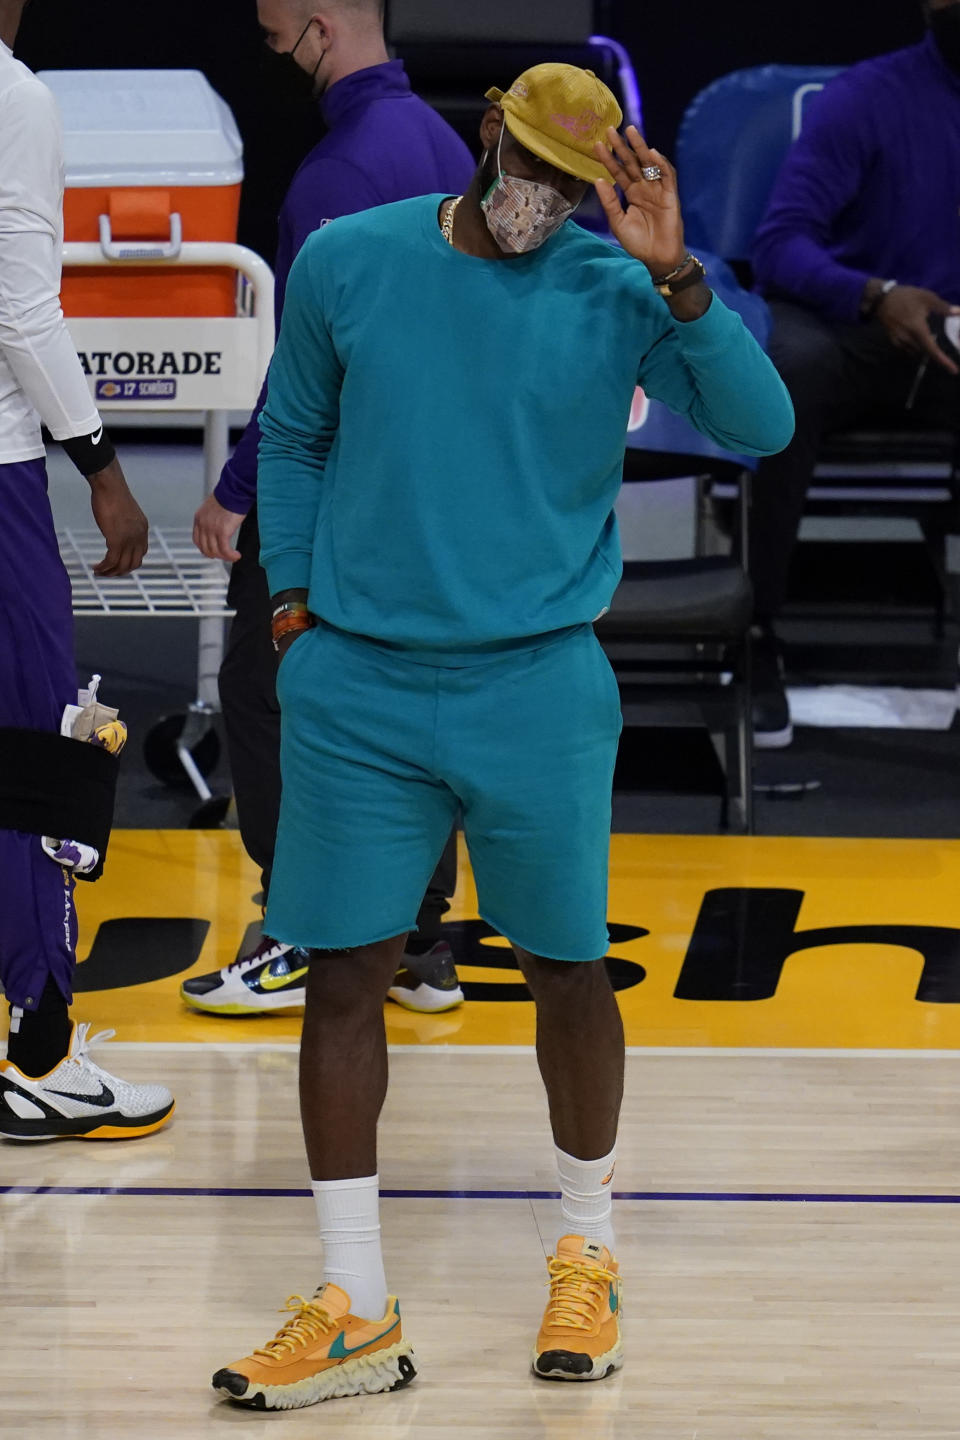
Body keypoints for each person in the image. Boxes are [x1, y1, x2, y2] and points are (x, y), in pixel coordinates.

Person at [210, 63, 794, 1410]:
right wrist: (293, 606)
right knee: (345, 977)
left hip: (536, 683)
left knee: (567, 971)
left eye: (568, 180)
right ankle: (353, 1297)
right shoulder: (354, 259)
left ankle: (588, 1246)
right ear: (488, 135)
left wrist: (683, 280)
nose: (539, 198)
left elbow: (760, 427)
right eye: (525, 162)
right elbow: (291, 434)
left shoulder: (620, 290)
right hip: (359, 680)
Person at [185, 0, 475, 1018]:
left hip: (336, 489)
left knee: (266, 690)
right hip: (429, 487)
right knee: (409, 697)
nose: (269, 52)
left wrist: (234, 490)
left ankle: (299, 929)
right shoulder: (439, 140)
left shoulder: (340, 173)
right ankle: (419, 944)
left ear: (319, 25)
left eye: (274, 35)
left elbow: (310, 369)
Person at [0, 0, 174, 1139]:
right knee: (38, 753)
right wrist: (104, 468)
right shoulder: (15, 97)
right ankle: (43, 1054)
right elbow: (19, 306)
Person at [748, 0, 960, 747]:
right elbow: (780, 244)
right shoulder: (869, 97)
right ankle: (753, 634)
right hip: (862, 322)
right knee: (786, 373)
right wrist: (876, 295)